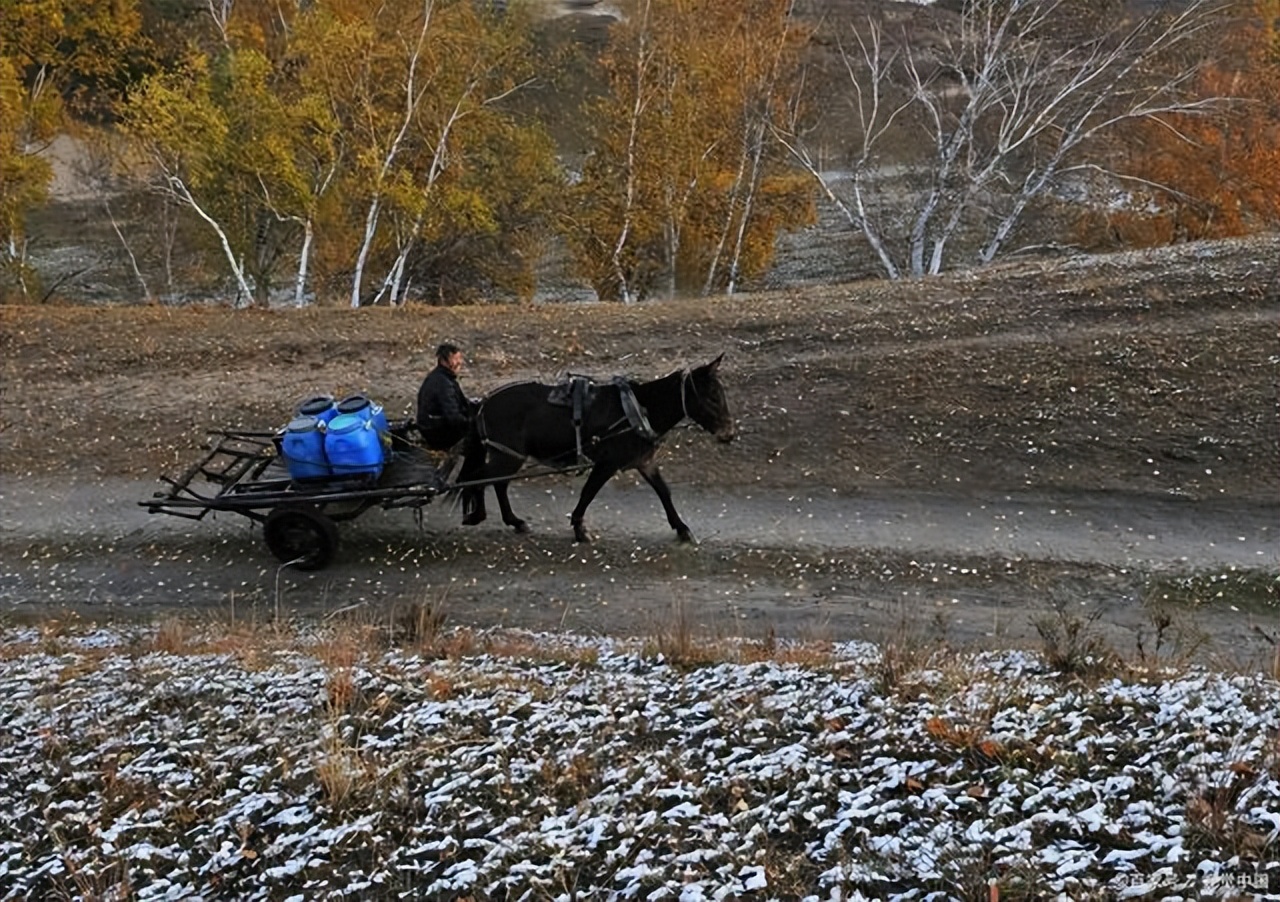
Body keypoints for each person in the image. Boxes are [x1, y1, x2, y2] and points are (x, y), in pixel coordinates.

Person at [416, 342, 476, 451]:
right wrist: (472, 425)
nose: (459, 363)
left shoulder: (441, 377)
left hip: (430, 426)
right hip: (436, 432)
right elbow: (453, 417)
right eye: (455, 359)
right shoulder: (443, 384)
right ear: (443, 361)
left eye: (460, 359)